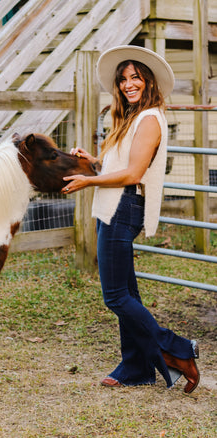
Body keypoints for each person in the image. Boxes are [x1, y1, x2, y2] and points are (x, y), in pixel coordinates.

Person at [62, 45, 200, 393]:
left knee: (116, 296)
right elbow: (121, 165)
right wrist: (94, 161)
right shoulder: (131, 117)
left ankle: (179, 349)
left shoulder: (150, 118)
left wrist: (89, 180)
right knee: (129, 294)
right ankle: (136, 366)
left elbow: (135, 172)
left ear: (147, 81)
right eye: (123, 79)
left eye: (135, 77)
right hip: (113, 205)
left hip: (123, 207)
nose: (127, 84)